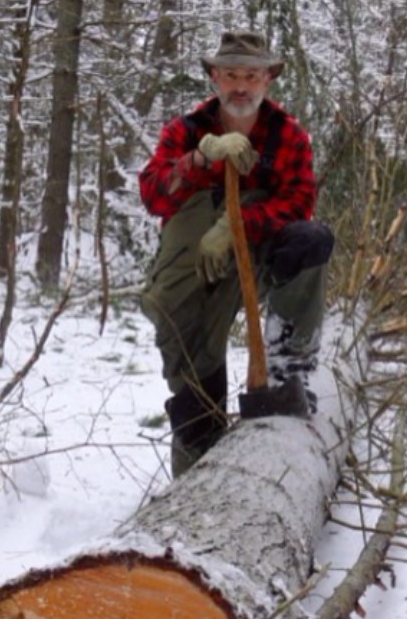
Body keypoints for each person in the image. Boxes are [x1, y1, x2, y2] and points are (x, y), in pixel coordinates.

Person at [139, 30, 335, 478]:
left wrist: (238, 224)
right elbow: (153, 195)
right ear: (214, 77)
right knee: (191, 374)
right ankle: (195, 472)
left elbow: (300, 200)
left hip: (260, 260)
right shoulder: (186, 131)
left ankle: (290, 365)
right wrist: (200, 160)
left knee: (311, 239)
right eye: (230, 75)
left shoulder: (288, 136)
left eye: (251, 75)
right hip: (195, 271)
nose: (240, 86)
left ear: (268, 79)